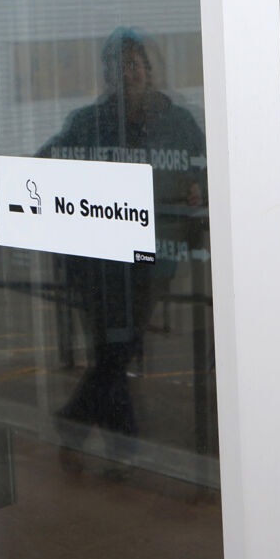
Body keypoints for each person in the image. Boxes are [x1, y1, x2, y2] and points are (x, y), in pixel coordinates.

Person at [40, 27, 207, 460]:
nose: (126, 73)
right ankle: (121, 447)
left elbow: (204, 170)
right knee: (113, 351)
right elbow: (46, 164)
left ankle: (79, 424)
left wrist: (198, 190)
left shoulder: (178, 121)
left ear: (150, 70)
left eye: (134, 63)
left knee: (117, 350)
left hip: (153, 261)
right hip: (96, 263)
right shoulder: (85, 123)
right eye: (117, 65)